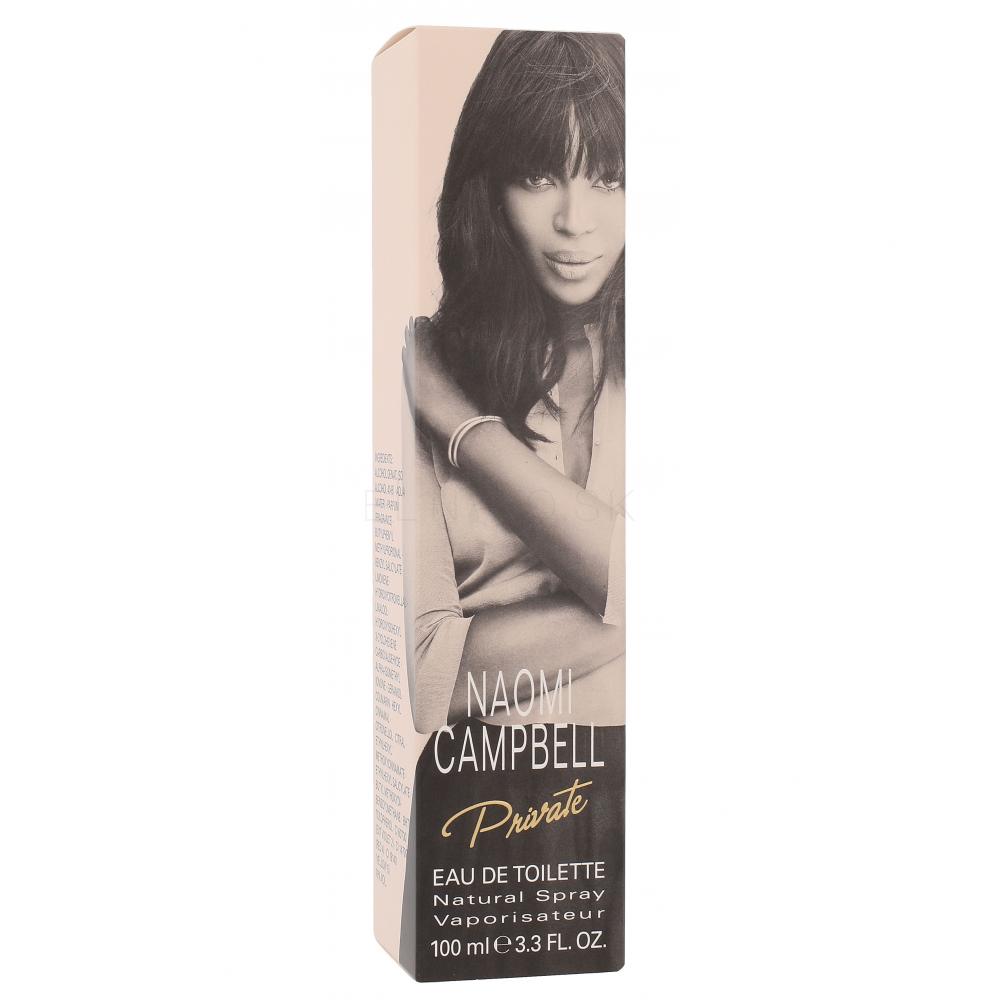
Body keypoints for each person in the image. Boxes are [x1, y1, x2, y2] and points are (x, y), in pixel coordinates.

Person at [397, 30, 627, 978]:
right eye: (540, 176)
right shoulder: (418, 360)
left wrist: (464, 430)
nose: (577, 221)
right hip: (475, 809)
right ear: (487, 187)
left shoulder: (434, 394)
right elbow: (426, 680)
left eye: (610, 178)